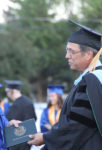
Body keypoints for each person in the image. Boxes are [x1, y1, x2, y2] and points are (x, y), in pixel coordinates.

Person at [28, 20, 102, 150]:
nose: (66, 56)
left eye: (71, 51)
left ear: (89, 54)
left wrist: (46, 138)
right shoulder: (93, 78)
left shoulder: (91, 81)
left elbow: (78, 126)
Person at [5, 80, 37, 150]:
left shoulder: (16, 105)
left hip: (17, 142)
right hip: (28, 141)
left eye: (7, 91)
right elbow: (34, 119)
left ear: (12, 92)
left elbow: (9, 123)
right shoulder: (28, 101)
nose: (7, 94)